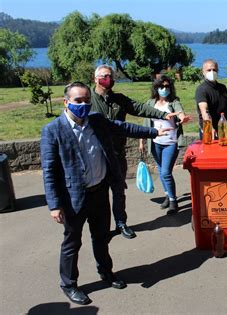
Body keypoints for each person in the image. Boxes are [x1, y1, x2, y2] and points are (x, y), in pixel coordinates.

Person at [40, 82, 165, 305]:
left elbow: (124, 127)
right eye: (78, 101)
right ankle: (69, 284)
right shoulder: (53, 130)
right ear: (66, 102)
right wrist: (54, 205)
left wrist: (154, 131)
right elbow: (49, 170)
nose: (84, 105)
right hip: (73, 198)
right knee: (72, 243)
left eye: (87, 100)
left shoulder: (96, 120)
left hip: (99, 193)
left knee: (101, 238)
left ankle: (106, 272)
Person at [91, 65, 173, 239]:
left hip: (117, 154)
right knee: (99, 195)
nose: (109, 79)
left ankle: (121, 223)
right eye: (105, 76)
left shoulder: (118, 99)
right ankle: (102, 229)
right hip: (96, 156)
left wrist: (162, 115)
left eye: (111, 76)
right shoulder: (88, 99)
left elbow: (140, 108)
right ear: (95, 78)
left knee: (119, 192)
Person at [139, 76, 191, 214]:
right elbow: (146, 122)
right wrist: (142, 140)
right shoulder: (150, 102)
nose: (164, 89)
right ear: (156, 88)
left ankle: (173, 201)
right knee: (162, 172)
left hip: (170, 143)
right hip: (156, 143)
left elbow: (180, 112)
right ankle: (168, 195)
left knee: (166, 173)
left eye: (167, 86)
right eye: (161, 86)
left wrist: (182, 118)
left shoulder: (174, 101)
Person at [195, 59, 227, 138]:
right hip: (208, 130)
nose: (212, 72)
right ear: (203, 72)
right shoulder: (201, 89)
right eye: (209, 70)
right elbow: (204, 111)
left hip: (222, 128)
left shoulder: (222, 88)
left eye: (214, 70)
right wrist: (210, 128)